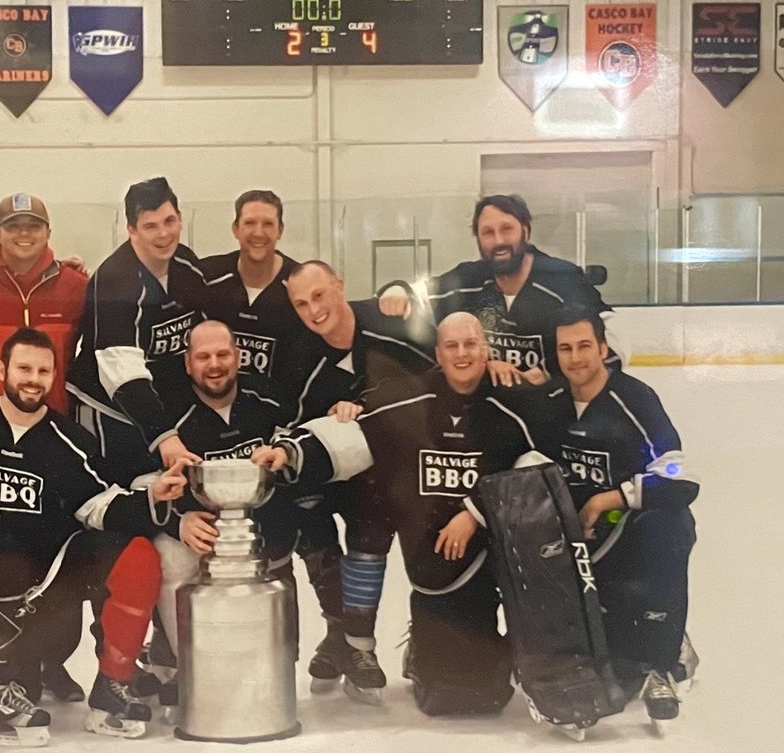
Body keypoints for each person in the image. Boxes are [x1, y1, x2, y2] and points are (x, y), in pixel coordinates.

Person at [255, 312, 541, 716]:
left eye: (471, 344)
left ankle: (541, 658)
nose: (462, 354)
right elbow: (352, 436)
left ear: (486, 349)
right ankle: (385, 644)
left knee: (488, 681)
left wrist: (474, 512)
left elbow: (538, 464)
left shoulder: (513, 404)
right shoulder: (411, 396)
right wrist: (289, 452)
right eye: (452, 346)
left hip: (488, 538)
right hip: (435, 550)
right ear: (438, 354)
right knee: (453, 692)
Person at [0, 328, 187, 744]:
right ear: (1, 370)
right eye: (23, 369)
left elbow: (98, 505)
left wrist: (152, 497)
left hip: (43, 587)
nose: (33, 380)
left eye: (43, 371)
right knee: (21, 682)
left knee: (137, 554)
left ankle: (113, 683)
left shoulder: (70, 440)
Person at [531, 308, 698, 723]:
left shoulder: (634, 398)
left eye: (584, 346)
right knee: (615, 660)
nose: (575, 358)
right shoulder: (549, 402)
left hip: (624, 532)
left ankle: (662, 661)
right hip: (575, 543)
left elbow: (680, 475)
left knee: (670, 525)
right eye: (565, 349)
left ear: (603, 349)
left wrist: (610, 499)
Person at [279, 259, 436, 696]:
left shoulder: (390, 323)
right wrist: (328, 419)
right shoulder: (301, 357)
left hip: (406, 468)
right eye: (301, 304)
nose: (314, 310)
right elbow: (294, 424)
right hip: (343, 473)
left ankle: (362, 643)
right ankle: (341, 633)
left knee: (375, 525)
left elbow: (440, 375)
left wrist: (368, 408)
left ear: (340, 286)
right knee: (306, 512)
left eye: (319, 295)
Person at [148, 321, 299, 691]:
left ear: (239, 356)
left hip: (259, 528)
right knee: (170, 554)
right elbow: (144, 484)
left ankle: (276, 663)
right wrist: (178, 522)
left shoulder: (270, 400)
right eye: (203, 357)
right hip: (200, 531)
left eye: (222, 354)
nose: (214, 365)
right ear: (188, 364)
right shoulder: (168, 417)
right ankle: (188, 667)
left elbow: (299, 450)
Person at [377, 194, 618, 381]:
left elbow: (612, 338)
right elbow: (416, 293)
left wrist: (550, 374)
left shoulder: (563, 279)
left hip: (551, 411)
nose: (499, 241)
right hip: (489, 412)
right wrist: (398, 290)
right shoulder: (468, 278)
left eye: (506, 229)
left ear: (525, 231)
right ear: (478, 240)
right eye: (488, 233)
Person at [66, 176, 209, 483]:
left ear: (180, 218)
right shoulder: (115, 281)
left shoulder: (187, 265)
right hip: (108, 408)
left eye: (169, 221)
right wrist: (164, 436)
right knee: (125, 490)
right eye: (150, 226)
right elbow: (122, 373)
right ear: (131, 230)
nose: (164, 234)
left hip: (160, 407)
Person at [0, 192, 87, 415]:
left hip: (55, 420)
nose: (24, 233)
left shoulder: (75, 286)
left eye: (34, 226)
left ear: (48, 233)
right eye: (13, 226)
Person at [199, 189, 309, 384]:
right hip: (216, 399)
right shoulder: (206, 276)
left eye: (268, 224)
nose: (258, 233)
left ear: (280, 230)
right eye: (250, 223)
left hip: (278, 401)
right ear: (235, 229)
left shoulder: (301, 284)